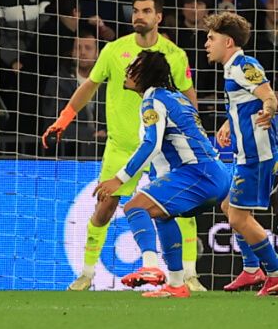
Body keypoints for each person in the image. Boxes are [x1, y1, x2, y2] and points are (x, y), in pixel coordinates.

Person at [43, 0, 204, 292]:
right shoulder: (114, 51)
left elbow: (188, 98)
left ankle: (190, 275)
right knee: (104, 206)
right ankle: (87, 274)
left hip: (163, 149)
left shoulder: (175, 54)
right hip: (122, 146)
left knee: (181, 209)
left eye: (145, 11)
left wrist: (195, 136)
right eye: (135, 11)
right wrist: (63, 119)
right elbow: (90, 86)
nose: (138, 16)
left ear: (158, 17)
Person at [93, 50, 229, 298]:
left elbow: (151, 144)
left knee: (135, 207)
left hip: (198, 173)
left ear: (145, 74)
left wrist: (119, 178)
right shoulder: (175, 97)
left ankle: (151, 267)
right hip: (213, 172)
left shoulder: (152, 100)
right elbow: (176, 143)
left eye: (133, 66)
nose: (127, 71)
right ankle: (177, 284)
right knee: (161, 215)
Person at [203, 12, 278, 295]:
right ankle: (251, 269)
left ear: (229, 41)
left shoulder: (244, 66)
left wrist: (268, 111)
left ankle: (274, 272)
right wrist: (228, 123)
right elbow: (245, 101)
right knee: (227, 207)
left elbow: (269, 96)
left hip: (257, 154)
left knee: (237, 218)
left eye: (212, 38)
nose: (206, 44)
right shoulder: (232, 67)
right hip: (245, 153)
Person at [40, 31, 106, 155]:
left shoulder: (107, 82)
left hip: (104, 149)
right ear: (72, 52)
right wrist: (91, 134)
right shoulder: (58, 82)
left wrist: (106, 132)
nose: (82, 52)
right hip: (68, 150)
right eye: (78, 48)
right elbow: (52, 121)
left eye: (88, 48)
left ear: (97, 53)